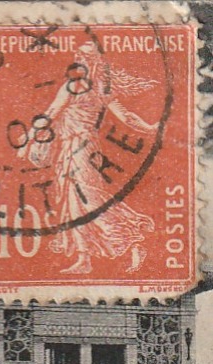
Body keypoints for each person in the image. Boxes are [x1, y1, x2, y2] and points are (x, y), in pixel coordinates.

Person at [23, 41, 158, 275]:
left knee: (83, 199)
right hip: (75, 147)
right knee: (73, 199)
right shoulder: (99, 89)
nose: (84, 62)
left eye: (87, 58)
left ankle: (130, 238)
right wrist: (150, 127)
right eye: (83, 57)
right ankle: (85, 257)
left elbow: (51, 113)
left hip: (79, 147)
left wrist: (28, 140)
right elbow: (127, 116)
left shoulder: (76, 87)